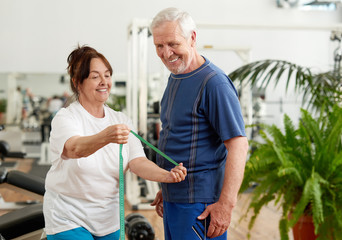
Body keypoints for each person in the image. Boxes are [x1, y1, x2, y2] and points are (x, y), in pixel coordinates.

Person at [43, 45, 187, 240]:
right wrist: (105, 136)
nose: (104, 82)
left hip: (107, 218)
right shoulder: (66, 117)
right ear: (78, 82)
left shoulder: (121, 119)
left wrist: (167, 176)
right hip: (68, 216)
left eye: (107, 75)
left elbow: (137, 162)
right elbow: (74, 148)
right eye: (95, 77)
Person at [149, 7, 249, 240]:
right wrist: (166, 186)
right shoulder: (175, 77)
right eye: (159, 46)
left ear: (192, 38)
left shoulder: (214, 84)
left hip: (199, 204)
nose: (166, 53)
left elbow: (238, 146)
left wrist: (226, 205)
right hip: (176, 198)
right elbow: (176, 135)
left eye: (173, 44)